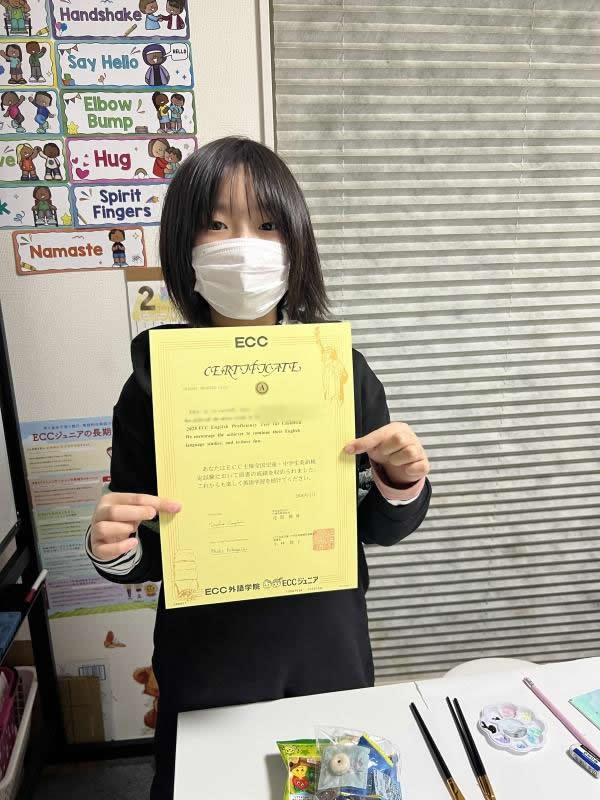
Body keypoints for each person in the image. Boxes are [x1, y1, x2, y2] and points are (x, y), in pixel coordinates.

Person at [86, 137, 431, 800]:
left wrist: (401, 481)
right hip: (207, 656)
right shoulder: (153, 384)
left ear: (296, 242)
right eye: (217, 224)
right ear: (184, 246)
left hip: (324, 646)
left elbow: (375, 528)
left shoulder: (340, 371)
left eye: (267, 223)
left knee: (330, 788)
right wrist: (111, 546)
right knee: (213, 788)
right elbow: (146, 548)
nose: (244, 245)